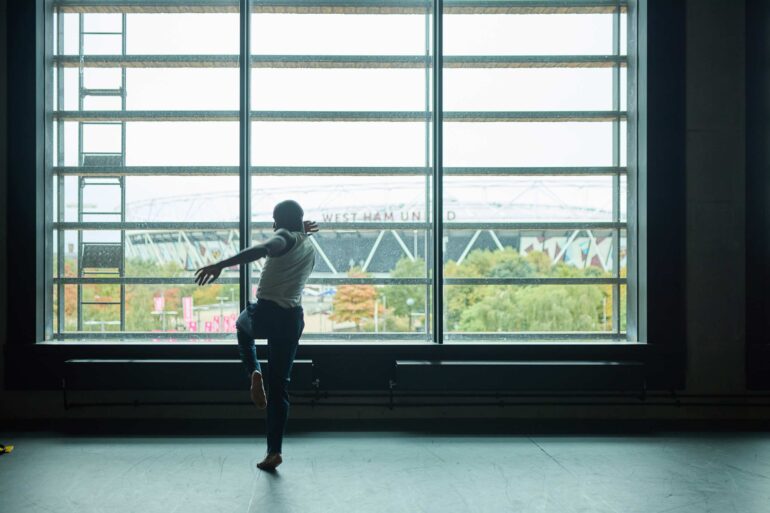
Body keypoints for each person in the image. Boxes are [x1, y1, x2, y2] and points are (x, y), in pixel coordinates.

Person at [195, 200, 318, 471]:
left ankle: (253, 371)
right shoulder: (307, 244)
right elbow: (290, 238)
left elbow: (262, 249)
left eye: (275, 221)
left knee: (241, 325)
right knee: (280, 388)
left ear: (281, 223)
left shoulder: (283, 236)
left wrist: (220, 264)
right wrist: (298, 229)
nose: (273, 226)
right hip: (292, 320)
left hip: (265, 314)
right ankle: (274, 451)